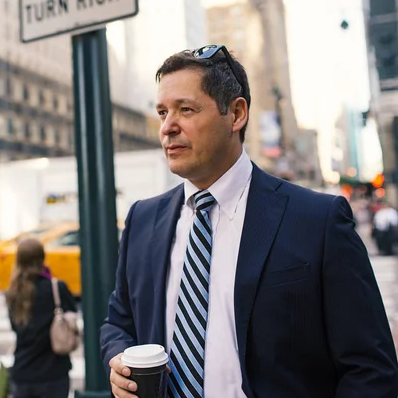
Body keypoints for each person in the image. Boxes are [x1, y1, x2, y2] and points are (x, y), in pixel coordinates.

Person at [100, 45, 398, 398]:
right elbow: (118, 323)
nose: (167, 127)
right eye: (163, 112)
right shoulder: (141, 220)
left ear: (236, 114)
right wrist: (120, 361)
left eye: (186, 109)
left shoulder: (318, 221)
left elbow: (370, 369)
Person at [5, 238, 77, 398]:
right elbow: (72, 320)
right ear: (42, 258)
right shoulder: (56, 288)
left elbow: (15, 327)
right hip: (53, 373)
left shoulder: (13, 292)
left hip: (23, 373)